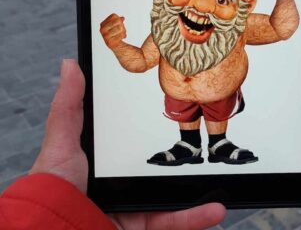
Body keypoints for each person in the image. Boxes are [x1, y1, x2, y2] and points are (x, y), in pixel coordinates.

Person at [0, 59, 226, 229]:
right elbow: (140, 60)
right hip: (180, 89)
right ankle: (190, 144)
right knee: (183, 103)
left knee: (219, 99)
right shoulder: (167, 32)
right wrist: (116, 42)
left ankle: (218, 142)